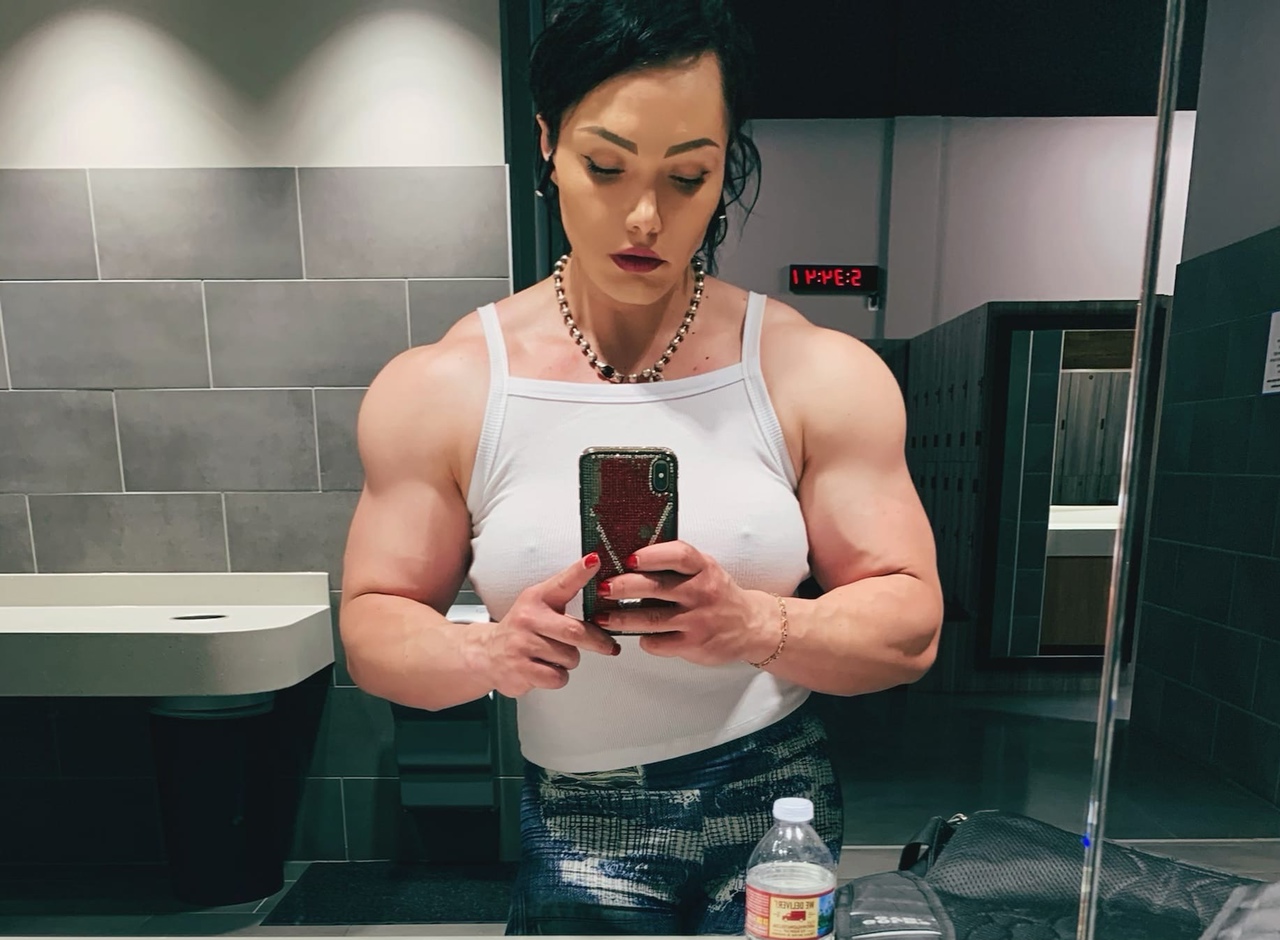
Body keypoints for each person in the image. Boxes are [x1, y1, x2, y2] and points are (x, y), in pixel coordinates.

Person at [339, 0, 943, 933]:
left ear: (727, 163)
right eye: (606, 166)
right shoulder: (445, 385)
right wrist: (485, 652)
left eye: (689, 176)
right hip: (577, 809)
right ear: (547, 142)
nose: (646, 217)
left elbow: (910, 628)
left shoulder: (815, 372)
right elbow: (374, 626)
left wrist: (754, 622)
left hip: (773, 801)